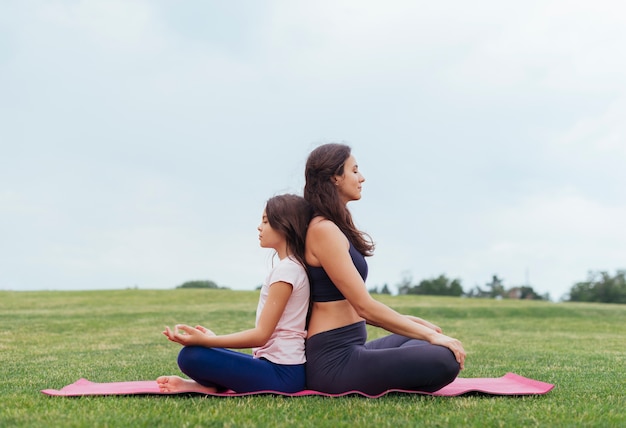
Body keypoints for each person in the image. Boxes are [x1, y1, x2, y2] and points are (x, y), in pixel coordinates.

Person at [302, 143, 466, 395]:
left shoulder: (335, 225)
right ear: (335, 177)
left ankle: (392, 373)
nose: (362, 177)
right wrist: (430, 338)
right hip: (333, 361)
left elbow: (358, 307)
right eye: (354, 171)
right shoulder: (323, 230)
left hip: (355, 347)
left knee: (430, 332)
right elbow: (364, 306)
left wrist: (417, 327)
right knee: (444, 358)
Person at [157, 194, 313, 394]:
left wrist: (208, 342)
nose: (259, 227)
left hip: (283, 375)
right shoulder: (293, 267)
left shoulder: (287, 270)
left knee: (191, 356)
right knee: (199, 353)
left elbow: (261, 336)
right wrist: (215, 345)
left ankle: (209, 386)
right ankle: (208, 386)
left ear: (284, 226)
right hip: (280, 369)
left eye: (265, 221)